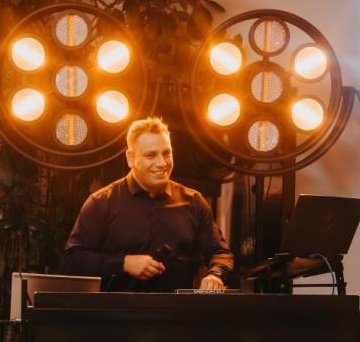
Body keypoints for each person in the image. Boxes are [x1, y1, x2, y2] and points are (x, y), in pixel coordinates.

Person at [61, 117, 234, 291]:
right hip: (116, 308)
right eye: (151, 155)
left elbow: (221, 253)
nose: (162, 163)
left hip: (176, 308)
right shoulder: (101, 203)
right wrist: (124, 263)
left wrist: (216, 275)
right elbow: (72, 261)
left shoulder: (194, 202)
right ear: (130, 158)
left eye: (166, 153)